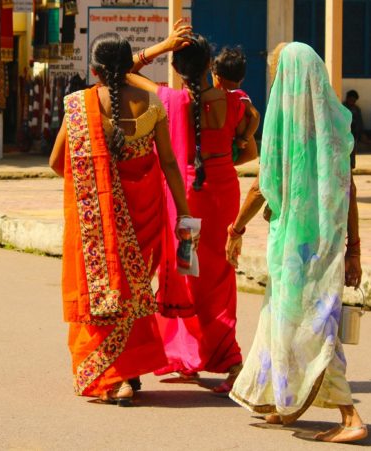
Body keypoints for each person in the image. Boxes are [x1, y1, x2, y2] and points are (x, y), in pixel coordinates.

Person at [226, 42, 367, 443]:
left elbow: (261, 187)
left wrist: (235, 229)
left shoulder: (284, 129)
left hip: (294, 249)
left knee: (312, 329)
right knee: (287, 320)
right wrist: (353, 250)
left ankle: (350, 416)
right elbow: (349, 189)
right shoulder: (337, 127)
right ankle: (280, 401)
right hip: (323, 248)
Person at [49, 33, 193, 406]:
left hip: (101, 219)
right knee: (134, 292)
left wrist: (91, 183)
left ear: (94, 70)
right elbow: (170, 165)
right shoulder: (153, 105)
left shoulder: (80, 105)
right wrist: (186, 211)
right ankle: (131, 370)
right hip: (145, 213)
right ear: (129, 65)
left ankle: (117, 379)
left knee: (107, 292)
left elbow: (54, 162)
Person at [128, 26, 258, 393]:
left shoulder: (172, 100)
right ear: (210, 66)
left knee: (187, 271)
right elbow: (248, 142)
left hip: (187, 197)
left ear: (179, 68)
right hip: (224, 190)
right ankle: (225, 359)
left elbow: (123, 70)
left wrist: (162, 46)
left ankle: (192, 355)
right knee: (219, 274)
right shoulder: (236, 101)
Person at [211, 47, 261, 162]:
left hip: (233, 147)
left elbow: (256, 115)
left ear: (218, 77)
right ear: (242, 79)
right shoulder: (233, 95)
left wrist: (244, 138)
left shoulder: (238, 96)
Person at [343, 90, 364, 168]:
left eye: (354, 100)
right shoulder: (343, 107)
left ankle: (351, 166)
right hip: (345, 133)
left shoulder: (356, 109)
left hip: (354, 133)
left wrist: (361, 133)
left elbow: (360, 122)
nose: (352, 102)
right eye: (351, 100)